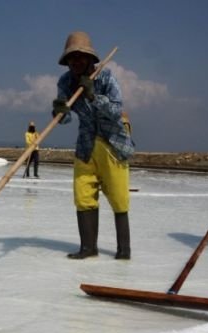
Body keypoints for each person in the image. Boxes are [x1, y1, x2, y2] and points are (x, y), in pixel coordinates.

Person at [52, 31, 135, 260]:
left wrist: (93, 96)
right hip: (86, 145)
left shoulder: (107, 78)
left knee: (119, 198)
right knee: (83, 195)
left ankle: (123, 251)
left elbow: (117, 110)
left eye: (80, 57)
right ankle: (88, 248)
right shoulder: (66, 82)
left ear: (90, 59)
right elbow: (66, 117)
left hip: (113, 144)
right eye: (71, 58)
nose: (76, 62)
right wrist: (59, 112)